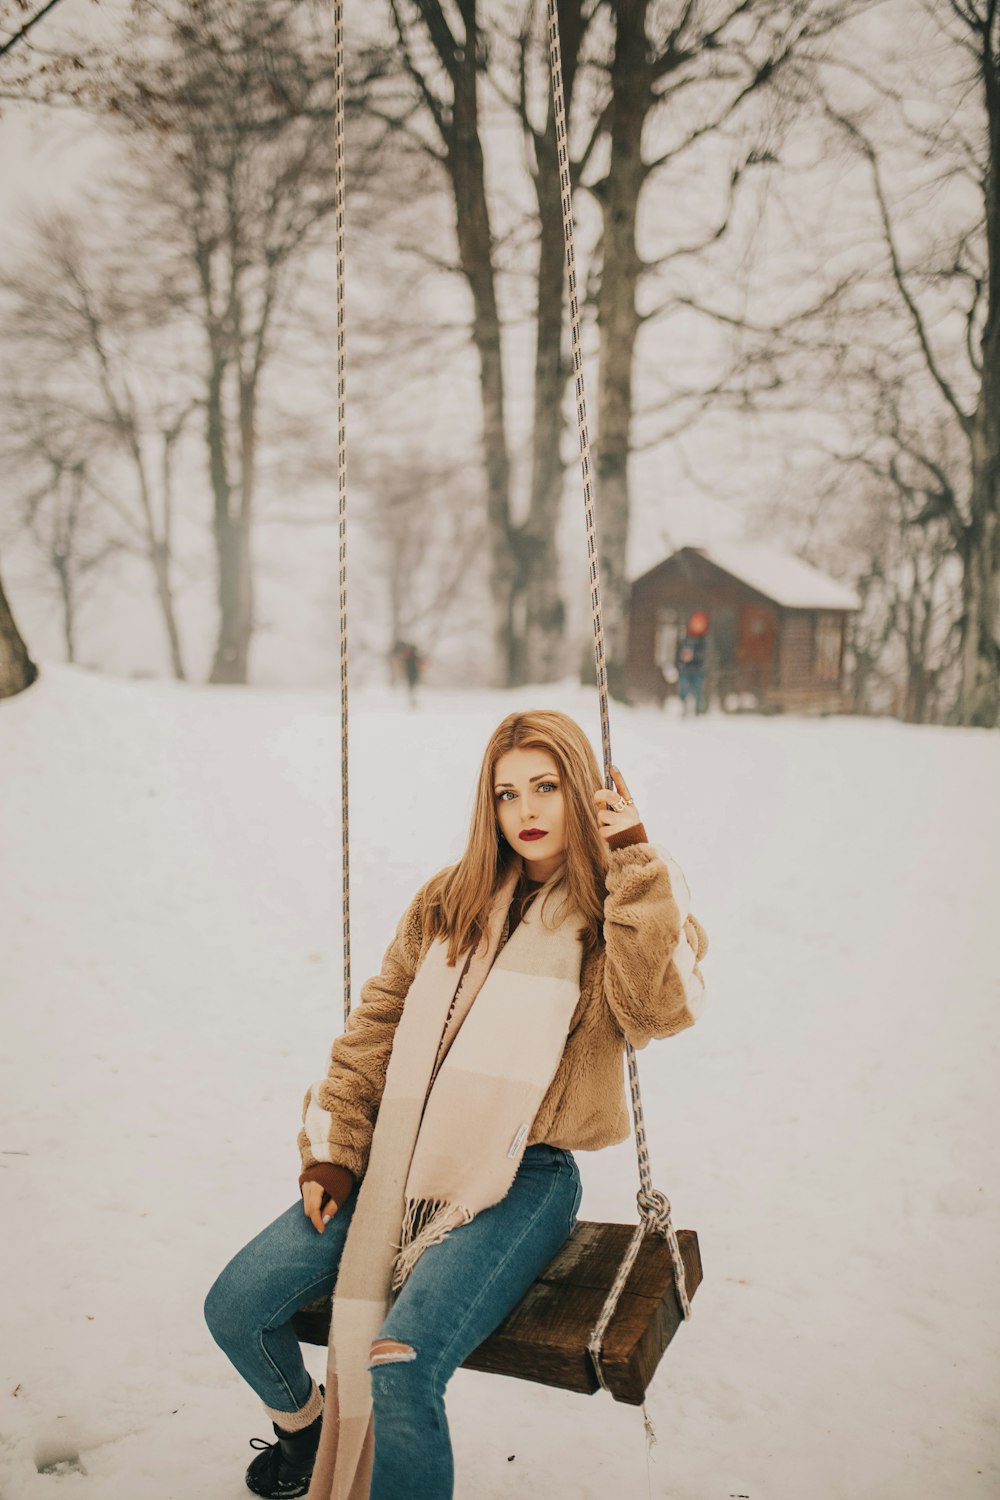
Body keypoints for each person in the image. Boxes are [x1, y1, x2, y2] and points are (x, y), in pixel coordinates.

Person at [204, 710, 708, 1500]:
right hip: (399, 1158)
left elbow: (660, 1008)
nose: (527, 812)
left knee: (401, 1367)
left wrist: (634, 862)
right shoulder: (451, 898)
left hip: (525, 1177)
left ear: (582, 791)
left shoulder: (624, 903)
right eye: (507, 794)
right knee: (237, 1306)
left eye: (546, 787)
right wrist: (337, 1150)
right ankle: (305, 1434)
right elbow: (376, 1027)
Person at [676, 610, 710, 716]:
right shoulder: (685, 638)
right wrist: (680, 662)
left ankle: (698, 711)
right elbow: (678, 652)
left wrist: (693, 656)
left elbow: (705, 655)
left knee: (698, 691)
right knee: (683, 689)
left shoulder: (703, 640)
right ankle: (685, 708)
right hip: (685, 669)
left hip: (698, 669)